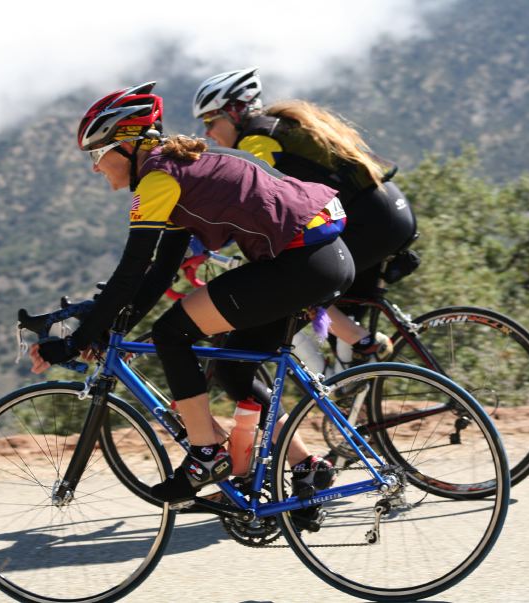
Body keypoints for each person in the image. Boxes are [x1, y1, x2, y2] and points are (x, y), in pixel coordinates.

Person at [28, 82, 353, 509]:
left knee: (171, 334)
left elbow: (131, 270)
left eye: (96, 155)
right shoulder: (182, 167)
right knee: (234, 371)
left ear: (126, 147)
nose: (94, 168)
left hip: (301, 261)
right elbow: (160, 268)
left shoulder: (159, 180)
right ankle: (307, 465)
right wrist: (107, 324)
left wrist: (75, 341)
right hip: (322, 255)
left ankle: (206, 454)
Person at [192, 67, 419, 364]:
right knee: (338, 325)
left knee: (298, 277)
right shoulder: (274, 127)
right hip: (382, 210)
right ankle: (353, 380)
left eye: (211, 120)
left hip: (372, 219)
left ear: (235, 112)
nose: (207, 132)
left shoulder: (257, 140)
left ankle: (361, 342)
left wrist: (202, 241)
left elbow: (248, 199)